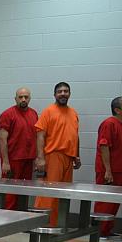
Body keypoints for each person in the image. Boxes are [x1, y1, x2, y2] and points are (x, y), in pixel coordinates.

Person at [34, 82, 80, 224]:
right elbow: (40, 135)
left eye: (66, 91)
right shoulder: (48, 111)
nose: (63, 94)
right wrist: (40, 158)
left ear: (70, 94)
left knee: (64, 194)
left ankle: (58, 224)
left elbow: (75, 135)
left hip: (68, 158)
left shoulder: (73, 113)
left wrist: (76, 155)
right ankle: (43, 224)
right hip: (53, 156)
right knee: (49, 193)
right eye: (60, 91)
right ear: (54, 94)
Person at [93, 97, 122, 238]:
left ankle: (107, 230)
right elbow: (104, 146)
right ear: (117, 110)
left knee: (114, 203)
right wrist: (108, 170)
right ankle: (98, 232)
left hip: (119, 171)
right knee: (105, 202)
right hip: (108, 171)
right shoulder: (109, 124)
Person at [0, 87, 38, 210]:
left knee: (24, 192)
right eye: (20, 97)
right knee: (10, 193)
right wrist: (5, 161)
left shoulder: (34, 113)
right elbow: (2, 140)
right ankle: (6, 221)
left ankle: (21, 219)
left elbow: (36, 137)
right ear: (15, 99)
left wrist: (36, 158)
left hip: (28, 159)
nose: (23, 99)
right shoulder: (7, 114)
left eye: (26, 97)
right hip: (12, 160)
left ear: (29, 98)